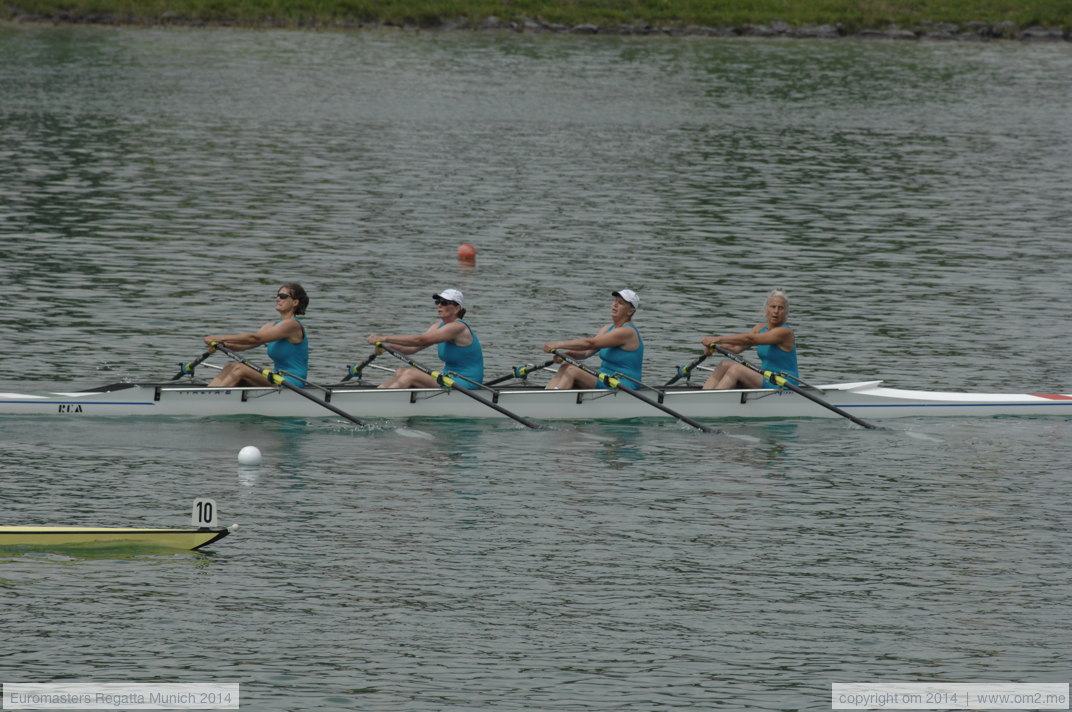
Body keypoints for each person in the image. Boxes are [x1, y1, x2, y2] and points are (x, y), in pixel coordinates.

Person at [367, 288, 484, 388]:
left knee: (410, 375)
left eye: (444, 302)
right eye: (438, 302)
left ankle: (378, 403)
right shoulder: (438, 326)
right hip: (448, 377)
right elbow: (413, 348)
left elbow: (420, 339)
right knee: (400, 371)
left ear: (457, 308)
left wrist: (385, 338)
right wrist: (387, 347)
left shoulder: (458, 327)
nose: (439, 305)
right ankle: (373, 397)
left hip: (467, 382)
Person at [203, 283, 310, 387]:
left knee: (240, 369)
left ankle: (213, 399)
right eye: (277, 296)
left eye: (283, 296)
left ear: (295, 302)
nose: (277, 299)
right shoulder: (271, 326)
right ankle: (207, 395)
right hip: (277, 376)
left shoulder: (293, 325)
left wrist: (216, 337)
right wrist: (223, 345)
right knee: (229, 367)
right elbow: (243, 346)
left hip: (291, 382)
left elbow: (254, 338)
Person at [542, 289, 644, 390]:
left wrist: (558, 345)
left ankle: (554, 398)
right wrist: (567, 354)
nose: (615, 305)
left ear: (630, 311)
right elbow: (586, 353)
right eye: (615, 301)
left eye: (620, 303)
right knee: (566, 366)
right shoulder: (607, 328)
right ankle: (547, 394)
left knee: (573, 370)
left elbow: (591, 343)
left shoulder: (627, 332)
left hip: (624, 384)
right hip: (606, 378)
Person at [700, 288, 798, 389]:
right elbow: (735, 348)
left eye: (781, 308)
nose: (776, 311)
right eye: (773, 307)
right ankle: (704, 397)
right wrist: (714, 348)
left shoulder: (785, 332)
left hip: (784, 382)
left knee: (736, 369)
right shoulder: (760, 328)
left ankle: (714, 400)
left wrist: (717, 339)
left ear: (786, 312)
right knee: (724, 364)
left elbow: (750, 339)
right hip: (766, 377)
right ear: (766, 309)